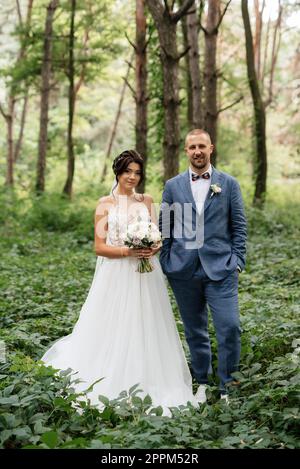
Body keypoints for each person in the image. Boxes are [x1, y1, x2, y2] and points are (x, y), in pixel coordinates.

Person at [41, 150, 197, 415]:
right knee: (115, 324)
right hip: (116, 274)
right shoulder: (105, 203)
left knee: (147, 324)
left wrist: (152, 247)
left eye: (137, 172)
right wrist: (128, 251)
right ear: (118, 172)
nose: (132, 177)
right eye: (128, 171)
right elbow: (100, 247)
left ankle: (150, 377)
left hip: (146, 275)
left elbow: (157, 238)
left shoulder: (146, 200)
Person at [159, 129, 247, 403]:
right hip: (183, 270)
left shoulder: (228, 184)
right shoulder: (173, 186)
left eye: (201, 146)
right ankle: (201, 382)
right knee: (195, 330)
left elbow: (239, 226)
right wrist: (167, 261)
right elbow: (165, 226)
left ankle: (227, 386)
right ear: (186, 151)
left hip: (221, 269)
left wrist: (238, 261)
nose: (197, 151)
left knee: (229, 326)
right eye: (191, 147)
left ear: (211, 148)